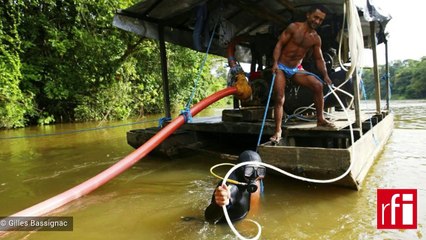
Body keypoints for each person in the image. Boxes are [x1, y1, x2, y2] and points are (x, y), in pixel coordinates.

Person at [270, 5, 335, 143]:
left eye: (321, 20)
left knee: (318, 85)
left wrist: (325, 75)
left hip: (296, 69)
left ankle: (320, 119)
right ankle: (278, 130)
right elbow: (279, 44)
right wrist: (275, 63)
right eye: (316, 17)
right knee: (280, 97)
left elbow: (319, 59)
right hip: (281, 67)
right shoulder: (294, 27)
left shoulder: (316, 38)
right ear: (308, 15)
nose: (317, 21)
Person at [205, 150, 266, 224]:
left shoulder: (257, 179)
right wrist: (219, 204)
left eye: (259, 170)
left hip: (245, 217)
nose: (255, 175)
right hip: (228, 226)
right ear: (240, 169)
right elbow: (209, 218)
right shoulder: (231, 188)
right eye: (249, 170)